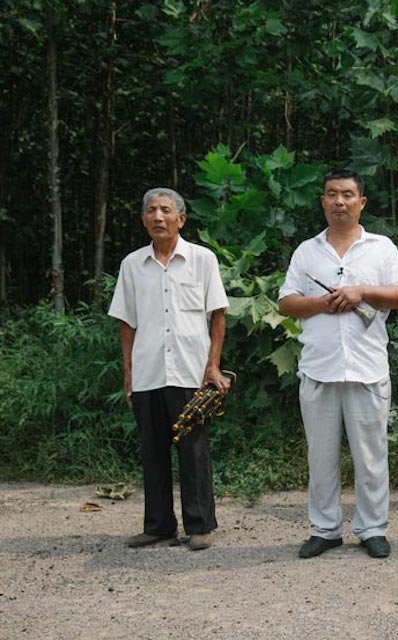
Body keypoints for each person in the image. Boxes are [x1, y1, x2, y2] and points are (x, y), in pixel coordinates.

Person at [279, 169, 398, 560]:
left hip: (367, 366)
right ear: (322, 201)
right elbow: (287, 302)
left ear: (362, 201)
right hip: (319, 366)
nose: (340, 201)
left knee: (371, 455)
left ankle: (372, 528)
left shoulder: (381, 247)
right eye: (332, 194)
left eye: (348, 195)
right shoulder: (307, 251)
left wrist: (361, 292)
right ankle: (325, 529)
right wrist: (324, 302)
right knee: (320, 455)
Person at [108, 187, 229, 552]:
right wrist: (128, 372)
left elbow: (217, 314)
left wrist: (213, 365)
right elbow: (126, 322)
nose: (157, 217)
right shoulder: (132, 264)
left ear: (181, 218)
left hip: (191, 372)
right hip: (148, 371)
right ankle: (158, 526)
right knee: (152, 451)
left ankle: (200, 525)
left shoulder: (202, 259)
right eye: (151, 211)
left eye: (165, 210)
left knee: (194, 451)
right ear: (144, 219)